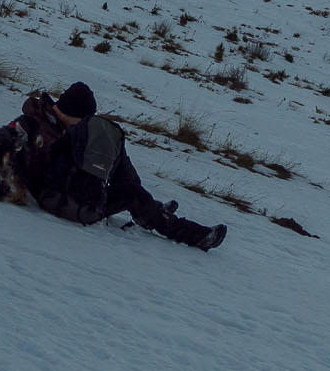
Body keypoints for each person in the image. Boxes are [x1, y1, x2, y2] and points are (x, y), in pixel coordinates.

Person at [17, 82, 227, 251]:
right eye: (83, 120)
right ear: (74, 113)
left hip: (74, 193)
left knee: (128, 180)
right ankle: (186, 232)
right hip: (57, 198)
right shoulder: (33, 123)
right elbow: (9, 149)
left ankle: (148, 209)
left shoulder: (65, 128)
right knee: (132, 192)